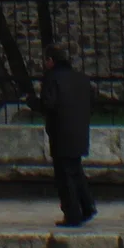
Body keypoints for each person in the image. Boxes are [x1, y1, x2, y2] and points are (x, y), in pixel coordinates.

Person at [40, 44, 96, 227]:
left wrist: (32, 101)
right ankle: (87, 207)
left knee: (65, 176)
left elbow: (49, 104)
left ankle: (72, 214)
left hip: (61, 132)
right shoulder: (81, 79)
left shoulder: (51, 78)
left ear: (51, 61)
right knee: (76, 171)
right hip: (79, 131)